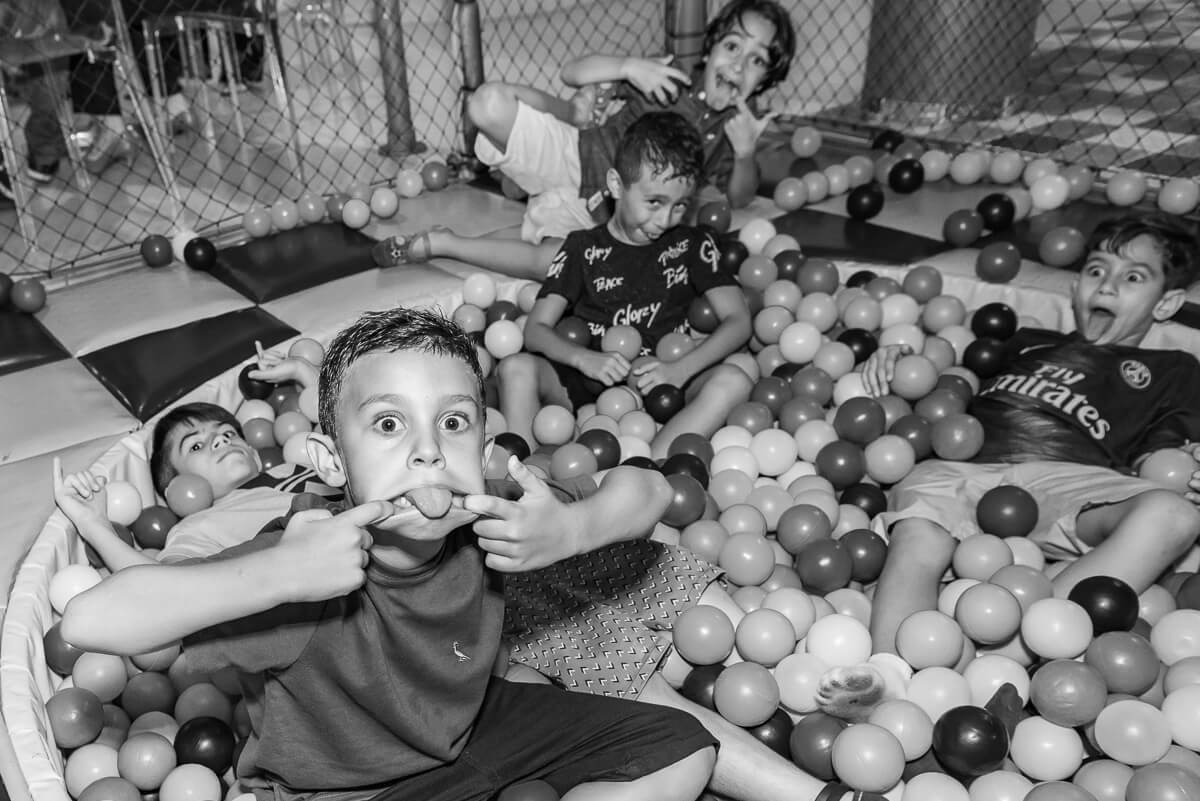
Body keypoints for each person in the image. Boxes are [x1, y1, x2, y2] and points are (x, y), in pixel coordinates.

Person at [61, 306, 720, 801]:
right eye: (388, 424)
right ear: (330, 462)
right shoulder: (305, 561)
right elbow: (91, 621)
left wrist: (573, 529)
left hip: (471, 731)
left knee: (683, 749)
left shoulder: (491, 513)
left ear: (484, 450)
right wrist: (275, 574)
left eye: (453, 422)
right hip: (345, 791)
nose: (428, 450)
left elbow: (650, 487)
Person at [826, 213, 1200, 709]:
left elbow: (1165, 457)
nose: (1107, 285)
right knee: (920, 531)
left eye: (1132, 277)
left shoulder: (1174, 368)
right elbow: (950, 372)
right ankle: (890, 674)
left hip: (1072, 480)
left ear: (1166, 302)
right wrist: (899, 357)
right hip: (966, 466)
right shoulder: (1026, 341)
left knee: (1174, 514)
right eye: (1095, 270)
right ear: (1076, 286)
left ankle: (1015, 655)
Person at [371, 0, 795, 280]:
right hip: (575, 154)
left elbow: (740, 197)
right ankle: (558, 134)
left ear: (765, 80)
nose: (739, 65)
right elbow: (572, 72)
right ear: (711, 47)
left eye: (757, 60)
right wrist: (629, 67)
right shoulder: (668, 76)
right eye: (733, 47)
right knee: (487, 104)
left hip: (599, 214)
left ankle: (445, 244)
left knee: (556, 266)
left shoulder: (735, 129)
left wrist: (745, 152)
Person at [495, 111, 753, 461]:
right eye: (654, 202)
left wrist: (680, 370)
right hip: (587, 385)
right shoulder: (581, 247)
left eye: (680, 206)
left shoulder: (693, 245)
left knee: (735, 380)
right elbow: (536, 330)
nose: (665, 219)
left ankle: (646, 470)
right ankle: (526, 474)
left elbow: (739, 321)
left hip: (666, 387)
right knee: (515, 368)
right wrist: (584, 359)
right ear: (616, 185)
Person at [53, 348, 331, 569]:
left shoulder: (309, 458)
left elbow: (346, 429)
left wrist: (302, 371)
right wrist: (94, 524)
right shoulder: (199, 527)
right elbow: (162, 589)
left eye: (228, 433)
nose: (221, 440)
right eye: (196, 446)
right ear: (176, 487)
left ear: (255, 454)